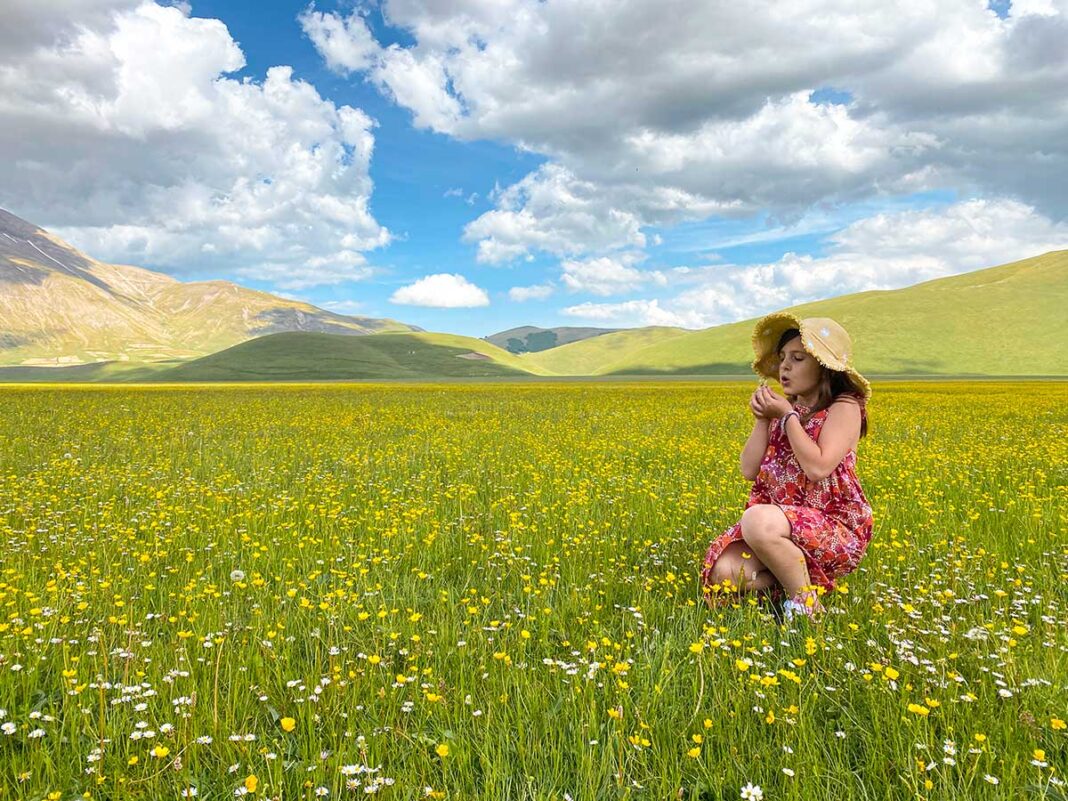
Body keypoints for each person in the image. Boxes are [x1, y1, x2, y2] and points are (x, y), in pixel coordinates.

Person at [699, 312, 874, 621]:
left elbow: (818, 468)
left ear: (825, 368)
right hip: (778, 525)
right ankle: (792, 583)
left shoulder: (845, 407)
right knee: (724, 574)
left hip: (832, 529)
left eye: (798, 358)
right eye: (782, 358)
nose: (785, 367)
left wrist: (787, 417)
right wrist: (763, 420)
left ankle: (807, 606)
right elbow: (748, 469)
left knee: (756, 521)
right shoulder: (787, 410)